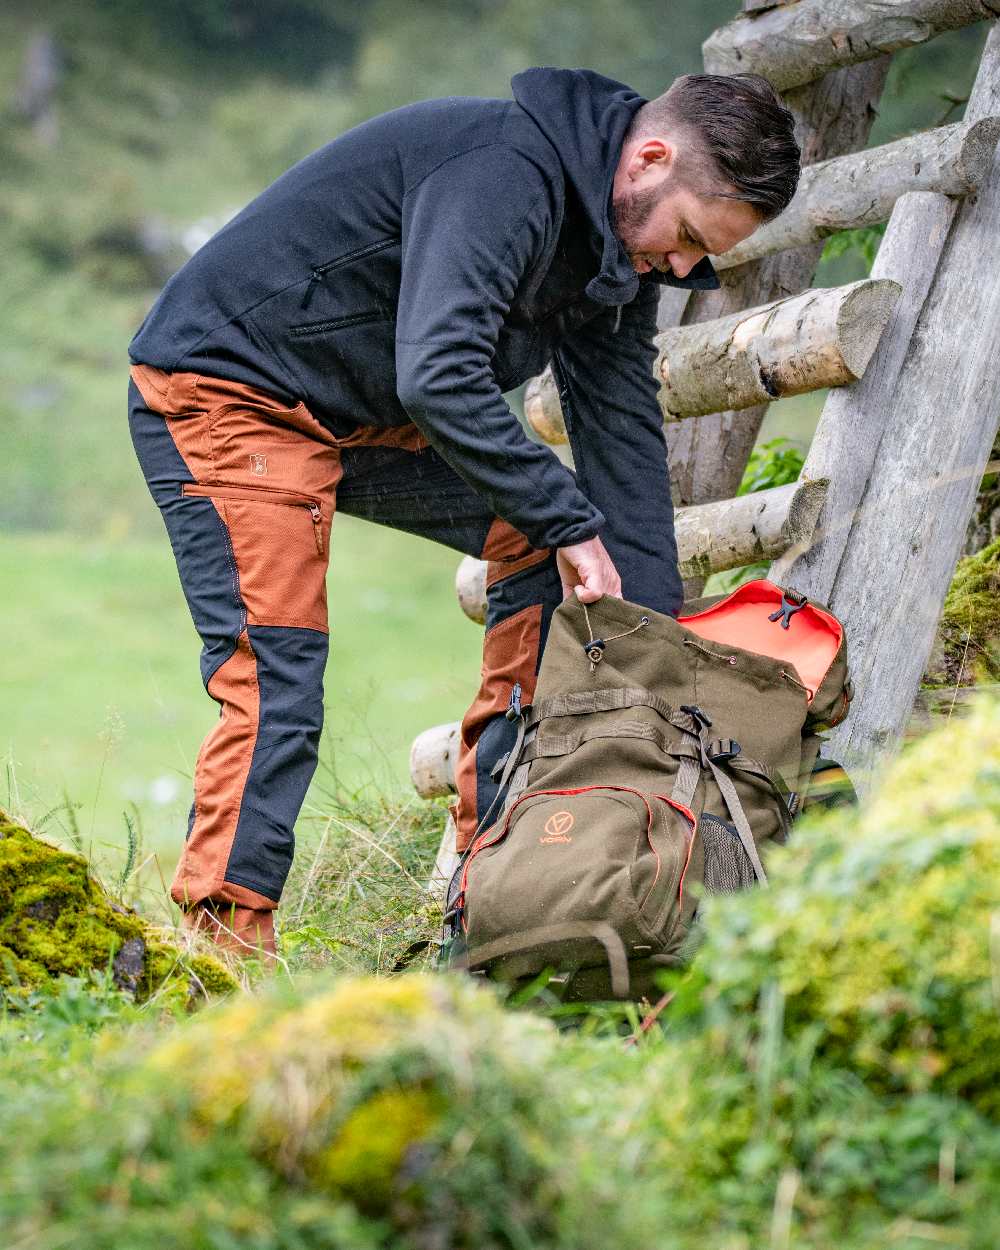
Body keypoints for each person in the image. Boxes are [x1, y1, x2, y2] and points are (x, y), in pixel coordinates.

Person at [127, 67, 800, 960]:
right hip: (232, 391)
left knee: (536, 541)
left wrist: (654, 646)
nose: (680, 267)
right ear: (649, 157)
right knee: (277, 670)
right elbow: (439, 374)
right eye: (684, 238)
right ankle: (220, 956)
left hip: (363, 415)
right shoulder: (501, 170)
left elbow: (623, 434)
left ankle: (495, 892)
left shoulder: (615, 251)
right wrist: (569, 520)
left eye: (696, 258)